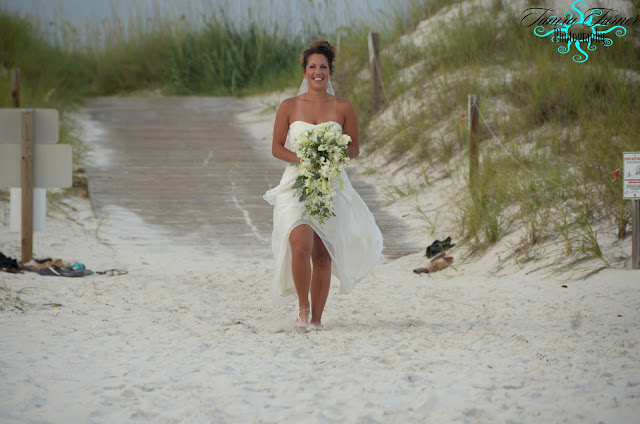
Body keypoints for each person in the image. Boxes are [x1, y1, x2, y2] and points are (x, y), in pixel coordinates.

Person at [263, 40, 383, 331]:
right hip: (296, 184)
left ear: (330, 73)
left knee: (322, 253)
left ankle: (317, 319)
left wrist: (332, 155)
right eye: (313, 67)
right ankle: (302, 311)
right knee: (299, 244)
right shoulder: (289, 106)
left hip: (331, 185)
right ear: (304, 72)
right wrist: (302, 160)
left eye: (324, 67)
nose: (318, 72)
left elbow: (354, 147)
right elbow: (277, 148)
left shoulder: (343, 107)